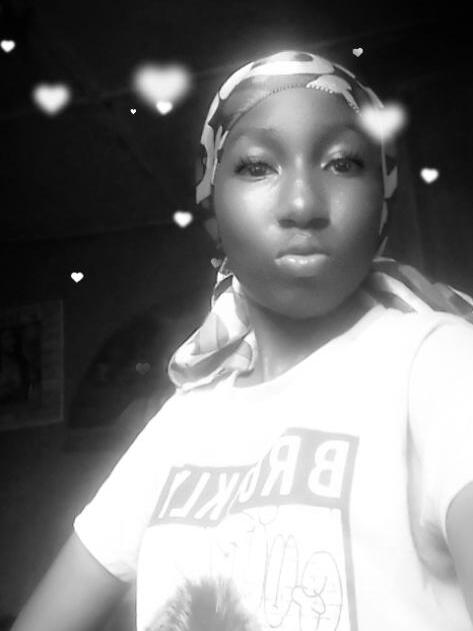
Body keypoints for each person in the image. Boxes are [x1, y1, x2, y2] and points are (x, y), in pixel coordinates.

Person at [11, 50, 473, 631]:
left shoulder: (439, 363)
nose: (302, 205)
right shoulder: (182, 423)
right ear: (213, 202)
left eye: (343, 162)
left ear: (382, 192)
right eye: (257, 166)